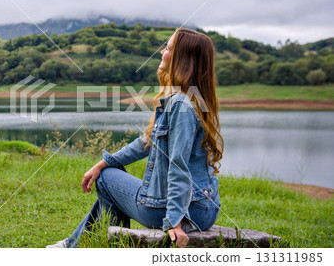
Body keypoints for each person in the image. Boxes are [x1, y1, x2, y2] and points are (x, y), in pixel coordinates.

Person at [47, 28, 224, 248]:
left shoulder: (180, 105)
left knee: (106, 179)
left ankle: (94, 247)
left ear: (181, 59)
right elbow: (147, 143)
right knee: (109, 177)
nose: (162, 52)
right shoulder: (193, 98)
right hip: (204, 208)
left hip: (185, 212)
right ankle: (75, 244)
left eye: (167, 48)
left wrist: (174, 221)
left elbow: (178, 166)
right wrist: (104, 162)